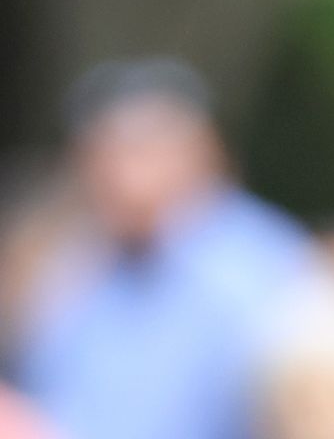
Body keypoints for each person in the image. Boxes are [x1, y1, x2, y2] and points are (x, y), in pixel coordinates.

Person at [8, 58, 317, 439]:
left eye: (138, 152)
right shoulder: (71, 263)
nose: (117, 174)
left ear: (203, 151)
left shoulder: (266, 266)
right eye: (100, 154)